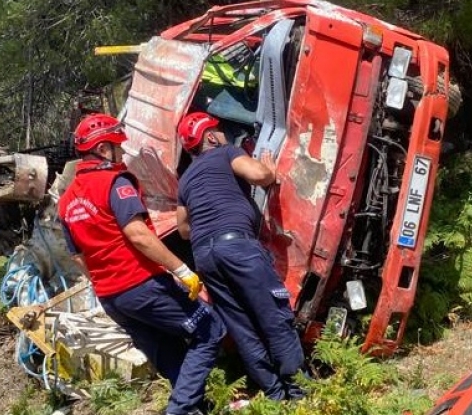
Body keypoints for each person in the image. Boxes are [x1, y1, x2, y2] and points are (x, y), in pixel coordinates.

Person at [58, 113, 226, 415]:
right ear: (103, 149)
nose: (122, 153)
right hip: (140, 285)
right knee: (210, 329)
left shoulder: (67, 200)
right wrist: (183, 271)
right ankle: (180, 409)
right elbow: (138, 235)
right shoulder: (114, 182)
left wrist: (105, 282)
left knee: (167, 351)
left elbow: (77, 256)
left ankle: (193, 408)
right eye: (118, 147)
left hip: (111, 298)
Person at [176, 111, 305, 401]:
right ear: (210, 136)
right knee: (274, 315)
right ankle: (299, 392)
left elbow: (183, 229)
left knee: (242, 327)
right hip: (238, 247)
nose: (222, 134)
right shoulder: (226, 153)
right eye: (218, 130)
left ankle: (274, 393)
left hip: (205, 255)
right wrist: (269, 170)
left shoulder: (185, 181)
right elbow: (259, 175)